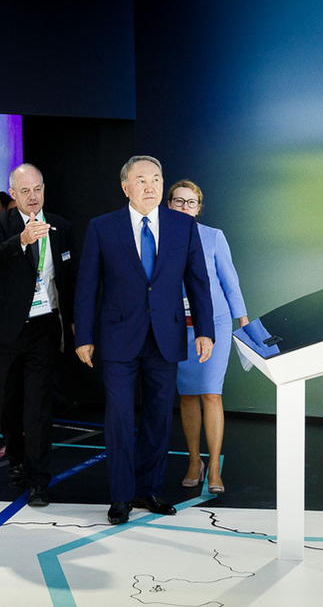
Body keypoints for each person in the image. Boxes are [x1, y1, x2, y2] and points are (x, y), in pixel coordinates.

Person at [73, 155, 214, 525]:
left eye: (156, 179)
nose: (150, 186)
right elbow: (87, 287)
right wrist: (83, 336)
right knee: (118, 418)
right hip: (119, 337)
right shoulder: (103, 227)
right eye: (141, 180)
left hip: (166, 336)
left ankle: (148, 489)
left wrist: (204, 330)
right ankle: (120, 496)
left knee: (157, 418)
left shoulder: (183, 225)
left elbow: (198, 281)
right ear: (126, 187)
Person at [0, 164, 75, 507]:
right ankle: (16, 458)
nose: (33, 196)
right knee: (7, 402)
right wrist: (21, 240)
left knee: (38, 407)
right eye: (25, 191)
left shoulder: (62, 227)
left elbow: (68, 279)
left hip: (44, 327)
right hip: (6, 328)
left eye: (37, 189)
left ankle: (38, 480)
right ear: (13, 194)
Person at [167, 180, 248, 494]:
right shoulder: (159, 237)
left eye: (191, 202)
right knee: (187, 396)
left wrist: (243, 323)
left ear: (199, 207)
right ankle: (193, 461)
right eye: (178, 201)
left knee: (212, 394)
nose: (185, 207)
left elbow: (231, 283)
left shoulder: (214, 237)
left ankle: (214, 465)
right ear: (169, 205)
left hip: (214, 325)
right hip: (177, 327)